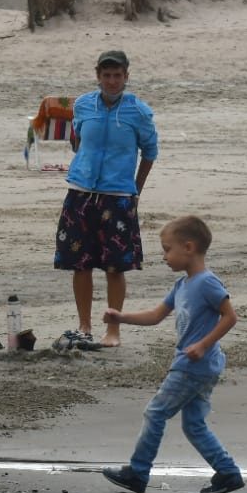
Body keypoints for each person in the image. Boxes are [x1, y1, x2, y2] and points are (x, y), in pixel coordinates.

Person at [101, 215, 245, 493]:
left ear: (188, 248)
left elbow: (230, 317)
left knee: (155, 412)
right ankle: (227, 472)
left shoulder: (207, 282)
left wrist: (203, 345)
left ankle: (138, 472)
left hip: (194, 365)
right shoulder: (181, 285)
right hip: (200, 366)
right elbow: (155, 316)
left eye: (167, 249)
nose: (164, 257)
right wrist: (121, 317)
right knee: (193, 424)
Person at [54, 49, 157, 351]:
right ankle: (84, 325)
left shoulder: (139, 112)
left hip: (118, 196)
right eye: (106, 75)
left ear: (126, 76)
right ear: (98, 75)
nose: (112, 81)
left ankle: (113, 329)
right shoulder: (84, 105)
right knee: (80, 263)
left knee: (115, 266)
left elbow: (150, 152)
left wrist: (135, 189)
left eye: (117, 75)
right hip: (81, 193)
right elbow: (77, 140)